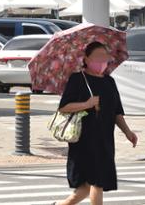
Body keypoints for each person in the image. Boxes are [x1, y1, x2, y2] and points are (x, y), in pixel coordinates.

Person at [54, 42, 138, 205]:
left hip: (104, 140)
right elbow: (64, 107)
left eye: (105, 57)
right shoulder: (77, 79)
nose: (102, 61)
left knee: (86, 188)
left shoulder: (109, 82)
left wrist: (128, 132)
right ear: (86, 58)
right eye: (98, 56)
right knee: (96, 182)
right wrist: (87, 104)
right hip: (84, 141)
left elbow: (117, 112)